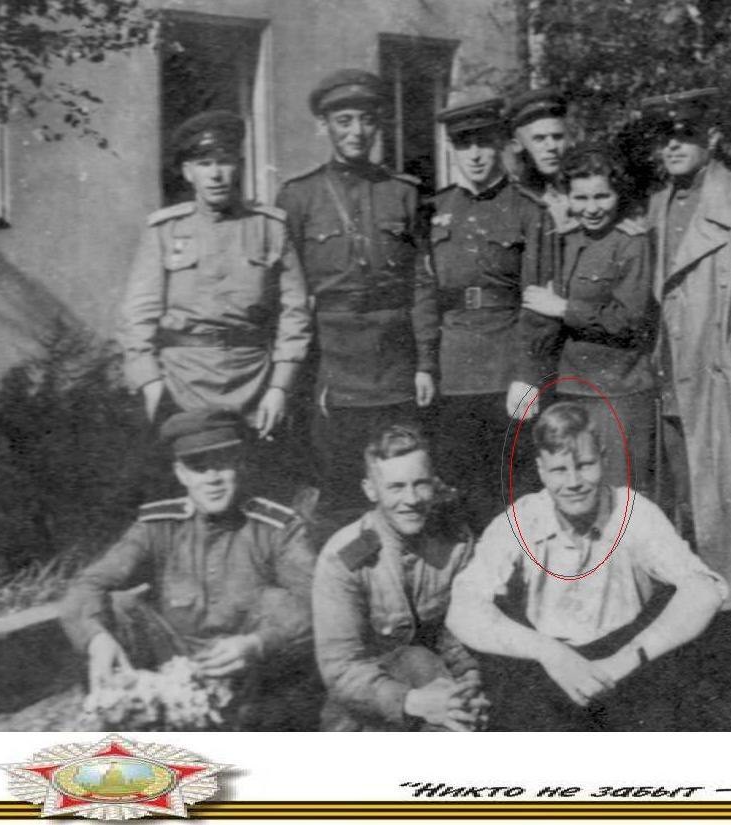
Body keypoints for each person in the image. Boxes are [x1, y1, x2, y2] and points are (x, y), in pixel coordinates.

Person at [448, 401, 731, 731]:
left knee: (719, 635)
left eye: (585, 465)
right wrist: (551, 654)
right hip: (551, 669)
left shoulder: (631, 509)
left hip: (627, 662)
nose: (574, 482)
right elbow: (463, 608)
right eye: (559, 470)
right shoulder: (523, 517)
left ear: (604, 459)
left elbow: (704, 589)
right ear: (540, 470)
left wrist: (624, 661)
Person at [60, 408, 319, 730]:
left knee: (278, 602)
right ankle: (126, 721)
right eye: (198, 467)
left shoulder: (276, 528)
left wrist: (259, 643)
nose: (212, 478)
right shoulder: (158, 526)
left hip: (255, 670)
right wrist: (97, 640)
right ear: (181, 474)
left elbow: (316, 600)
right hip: (176, 662)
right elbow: (89, 583)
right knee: (112, 610)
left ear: (240, 463)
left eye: (222, 463)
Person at [276, 70, 436, 516]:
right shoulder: (298, 197)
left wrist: (425, 362)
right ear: (323, 126)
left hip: (394, 359)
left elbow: (423, 283)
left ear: (378, 125)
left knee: (401, 471)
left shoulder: (402, 193)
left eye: (366, 120)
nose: (356, 132)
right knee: (341, 482)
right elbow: (287, 291)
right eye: (343, 121)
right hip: (333, 361)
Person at [639, 87, 731, 610]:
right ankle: (697, 622)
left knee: (730, 510)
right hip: (670, 376)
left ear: (712, 138)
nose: (673, 146)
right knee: (685, 504)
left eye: (686, 135)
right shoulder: (658, 203)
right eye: (664, 137)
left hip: (720, 376)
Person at [120, 110, 312, 436]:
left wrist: (280, 387)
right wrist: (151, 383)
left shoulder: (269, 227)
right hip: (181, 382)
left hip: (255, 380)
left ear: (239, 166)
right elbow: (137, 317)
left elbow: (295, 314)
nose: (215, 175)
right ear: (188, 172)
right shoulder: (164, 230)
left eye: (224, 162)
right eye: (204, 164)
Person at [423, 97, 559, 531]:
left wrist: (528, 373)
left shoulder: (528, 210)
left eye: (484, 142)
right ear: (453, 149)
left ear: (501, 144)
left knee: (513, 489)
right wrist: (427, 366)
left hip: (506, 367)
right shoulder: (435, 210)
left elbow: (539, 300)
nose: (476, 154)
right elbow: (425, 293)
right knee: (459, 485)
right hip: (454, 370)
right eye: (464, 144)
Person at [311, 425, 488, 731]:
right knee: (416, 660)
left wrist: (469, 682)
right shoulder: (344, 557)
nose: (412, 499)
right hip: (365, 712)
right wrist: (415, 702)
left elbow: (461, 633)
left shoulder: (455, 543)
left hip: (441, 689)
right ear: (371, 490)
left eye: (421, 484)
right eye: (395, 487)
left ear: (434, 483)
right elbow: (341, 669)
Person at [521, 146, 657, 494]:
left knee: (622, 492)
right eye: (580, 198)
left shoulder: (631, 243)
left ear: (618, 195)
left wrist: (565, 309)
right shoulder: (563, 241)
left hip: (617, 391)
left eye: (602, 196)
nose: (592, 208)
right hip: (568, 387)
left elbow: (631, 319)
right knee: (574, 488)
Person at [504, 87, 576, 233]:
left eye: (557, 137)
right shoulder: (510, 199)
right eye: (539, 139)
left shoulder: (580, 188)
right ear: (517, 146)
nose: (552, 146)